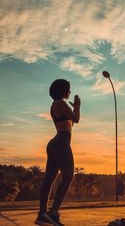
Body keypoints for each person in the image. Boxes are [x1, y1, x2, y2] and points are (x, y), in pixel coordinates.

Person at [35, 79, 81, 226]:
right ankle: (53, 213)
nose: (70, 92)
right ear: (63, 90)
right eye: (69, 89)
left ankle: (42, 215)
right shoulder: (60, 103)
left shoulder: (57, 105)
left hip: (56, 143)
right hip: (61, 142)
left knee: (49, 180)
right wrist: (78, 107)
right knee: (68, 177)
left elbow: (71, 122)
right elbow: (76, 119)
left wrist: (73, 109)